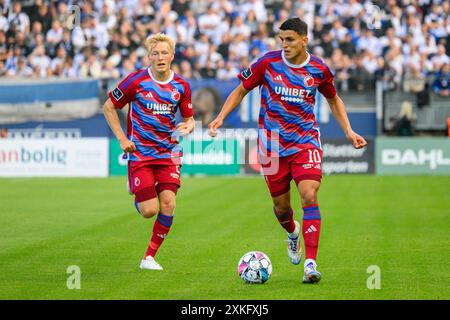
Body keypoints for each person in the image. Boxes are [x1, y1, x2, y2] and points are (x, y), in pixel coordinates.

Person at [208, 18, 367, 284]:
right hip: (270, 145)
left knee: (309, 194)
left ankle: (311, 264)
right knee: (282, 209)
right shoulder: (267, 63)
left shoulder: (318, 69)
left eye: (290, 39)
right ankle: (293, 234)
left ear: (304, 39)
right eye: (281, 39)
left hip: (305, 142)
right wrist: (220, 117)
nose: (284, 45)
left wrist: (349, 131)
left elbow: (333, 99)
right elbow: (240, 91)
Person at [103, 33, 195, 271]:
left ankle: (149, 258)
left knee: (168, 204)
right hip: (141, 153)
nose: (160, 57)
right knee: (149, 210)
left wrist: (189, 125)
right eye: (155, 53)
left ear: (172, 56)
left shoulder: (182, 86)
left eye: (164, 53)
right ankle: (137, 191)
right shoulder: (136, 81)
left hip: (168, 153)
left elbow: (189, 118)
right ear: (149, 56)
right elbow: (109, 106)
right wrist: (122, 138)